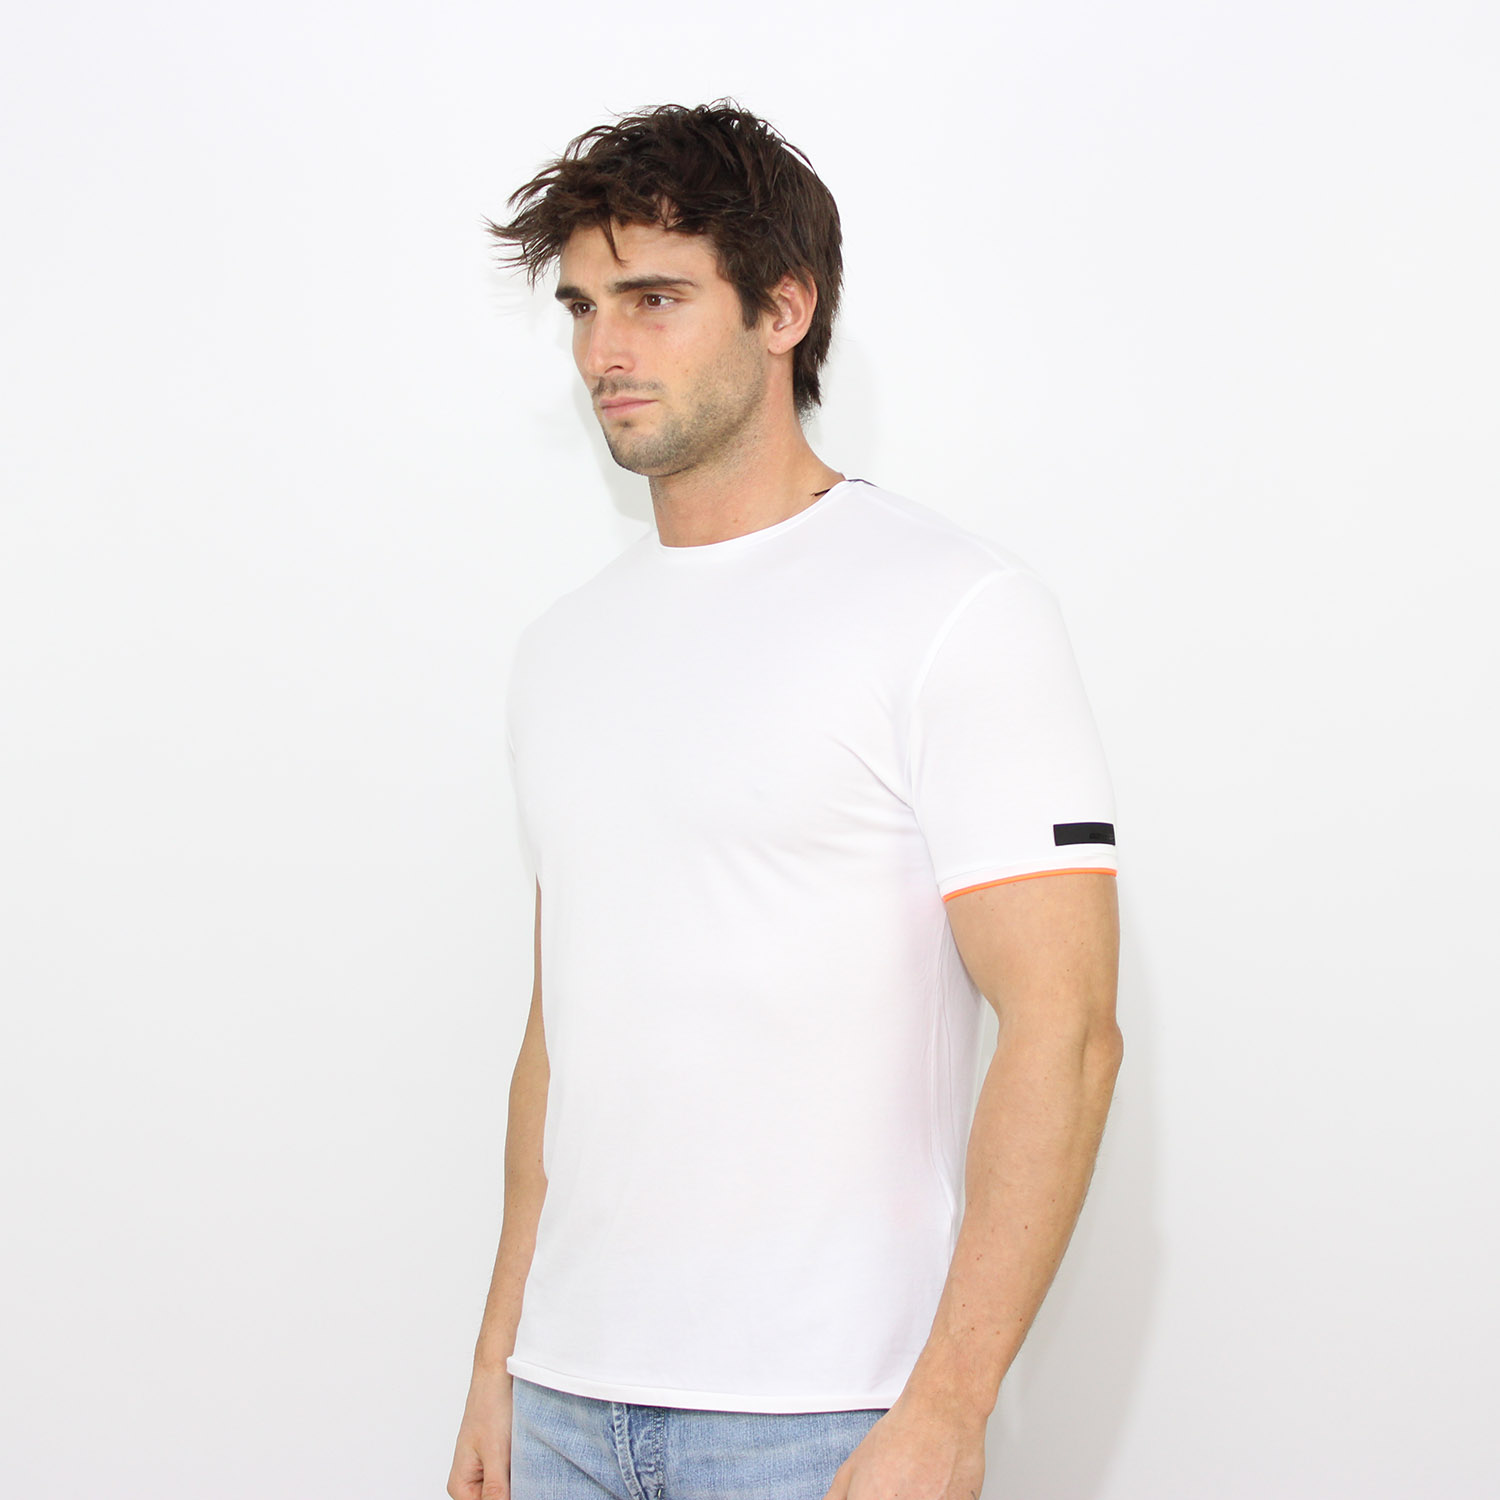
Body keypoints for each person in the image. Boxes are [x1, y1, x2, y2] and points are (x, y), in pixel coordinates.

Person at [447, 100, 1123, 1500]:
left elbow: (1065, 1032)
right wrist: (498, 1357)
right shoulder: (561, 650)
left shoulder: (954, 610)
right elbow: (561, 1037)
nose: (603, 352)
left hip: (824, 1423)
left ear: (783, 310)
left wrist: (949, 1409)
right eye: (582, 308)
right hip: (563, 1406)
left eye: (654, 299)